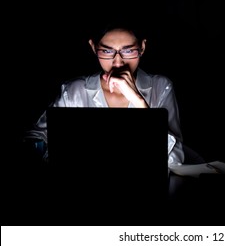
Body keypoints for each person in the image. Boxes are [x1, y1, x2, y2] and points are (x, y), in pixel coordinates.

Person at [24, 20, 189, 168]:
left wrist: (138, 101)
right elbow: (34, 138)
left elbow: (174, 159)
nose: (118, 62)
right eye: (107, 51)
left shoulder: (161, 87)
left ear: (142, 47)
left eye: (128, 51)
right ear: (93, 47)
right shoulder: (73, 91)